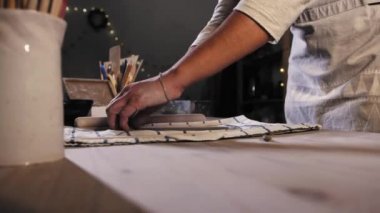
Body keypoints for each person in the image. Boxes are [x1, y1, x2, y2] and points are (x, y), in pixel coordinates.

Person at [106, 0, 380, 132]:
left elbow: (262, 10)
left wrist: (170, 83)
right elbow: (223, 18)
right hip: (306, 112)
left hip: (363, 109)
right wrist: (171, 82)